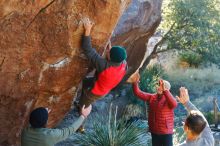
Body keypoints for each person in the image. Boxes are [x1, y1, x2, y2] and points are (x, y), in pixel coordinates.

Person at [78, 18, 127, 109]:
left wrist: (88, 30)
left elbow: (88, 49)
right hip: (104, 88)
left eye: (109, 52)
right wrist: (111, 49)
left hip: (96, 92)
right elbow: (116, 57)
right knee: (85, 81)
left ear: (110, 59)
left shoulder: (104, 66)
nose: (107, 51)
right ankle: (82, 96)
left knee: (84, 106)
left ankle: (81, 115)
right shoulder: (124, 63)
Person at [129, 72, 177, 146]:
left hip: (166, 132)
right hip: (154, 131)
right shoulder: (152, 97)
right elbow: (138, 93)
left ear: (166, 89)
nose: (158, 87)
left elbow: (174, 104)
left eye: (161, 86)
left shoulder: (169, 99)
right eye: (158, 85)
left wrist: (165, 91)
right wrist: (135, 83)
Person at [21, 105, 92, 146]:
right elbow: (69, 130)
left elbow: (36, 121)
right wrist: (83, 116)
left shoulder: (25, 132)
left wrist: (43, 114)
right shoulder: (50, 136)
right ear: (45, 123)